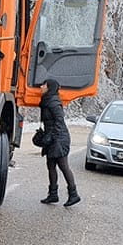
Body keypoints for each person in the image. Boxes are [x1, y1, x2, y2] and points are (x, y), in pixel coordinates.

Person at [39, 78, 80, 206]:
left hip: (59, 139)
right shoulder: (47, 101)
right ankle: (53, 194)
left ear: (49, 87)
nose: (41, 87)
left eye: (44, 85)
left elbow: (59, 121)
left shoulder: (54, 102)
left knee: (63, 166)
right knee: (50, 165)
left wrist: (51, 137)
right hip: (52, 137)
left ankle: (74, 194)